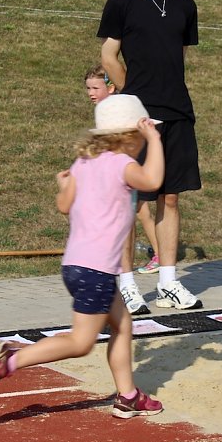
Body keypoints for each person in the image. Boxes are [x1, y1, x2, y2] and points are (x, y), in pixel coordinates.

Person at [0, 94, 165, 419]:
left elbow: (64, 206)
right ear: (131, 137)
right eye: (142, 137)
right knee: (81, 342)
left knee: (123, 324)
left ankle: (128, 395)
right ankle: (11, 358)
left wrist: (64, 185)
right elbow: (153, 180)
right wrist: (156, 140)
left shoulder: (83, 163)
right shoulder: (122, 164)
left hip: (76, 264)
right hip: (97, 269)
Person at [98, 0, 202, 314]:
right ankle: (125, 285)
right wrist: (130, 95)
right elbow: (108, 55)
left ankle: (169, 282)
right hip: (135, 116)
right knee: (129, 201)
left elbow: (180, 56)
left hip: (176, 111)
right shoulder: (121, 1)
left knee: (169, 197)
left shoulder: (185, 4)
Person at [85, 64, 161, 284]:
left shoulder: (119, 109)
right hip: (120, 167)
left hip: (128, 165)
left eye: (95, 88)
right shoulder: (104, 109)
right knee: (136, 209)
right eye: (88, 88)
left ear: (110, 88)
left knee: (139, 208)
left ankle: (158, 254)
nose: (91, 93)